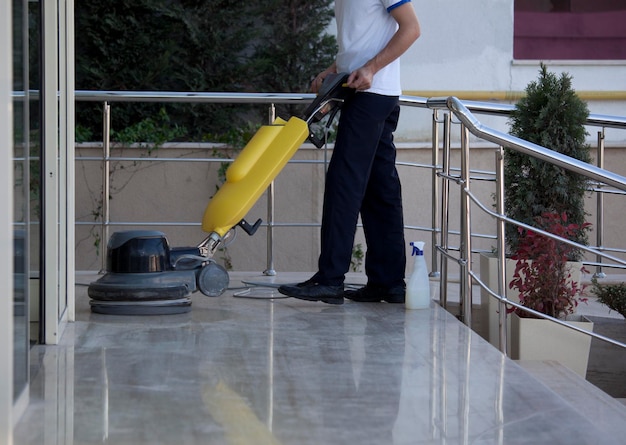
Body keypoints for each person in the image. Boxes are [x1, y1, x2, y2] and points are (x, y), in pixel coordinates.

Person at [278, 0, 421, 305]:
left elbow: (411, 29)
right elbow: (362, 40)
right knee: (379, 189)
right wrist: (333, 71)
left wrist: (371, 68)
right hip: (365, 93)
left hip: (371, 95)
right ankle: (389, 282)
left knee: (344, 183)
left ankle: (330, 280)